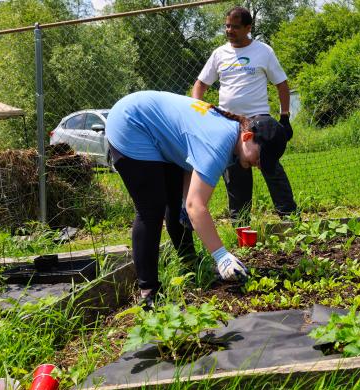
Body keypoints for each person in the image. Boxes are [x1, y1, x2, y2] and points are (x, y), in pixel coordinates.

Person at [105, 90, 288, 307]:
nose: (259, 164)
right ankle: (149, 293)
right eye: (259, 157)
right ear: (247, 137)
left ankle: (190, 264)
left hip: (153, 127)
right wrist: (222, 256)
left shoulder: (230, 134)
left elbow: (189, 158)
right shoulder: (219, 142)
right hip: (132, 124)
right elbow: (196, 206)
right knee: (151, 209)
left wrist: (186, 200)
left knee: (175, 204)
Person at [192, 6, 297, 225]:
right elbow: (200, 85)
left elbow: (282, 84)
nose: (229, 30)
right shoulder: (219, 54)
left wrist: (284, 117)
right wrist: (199, 113)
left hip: (259, 122)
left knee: (271, 168)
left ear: (248, 28)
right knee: (235, 172)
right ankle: (240, 224)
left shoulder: (263, 51)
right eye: (227, 25)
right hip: (228, 123)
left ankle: (289, 218)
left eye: (235, 27)